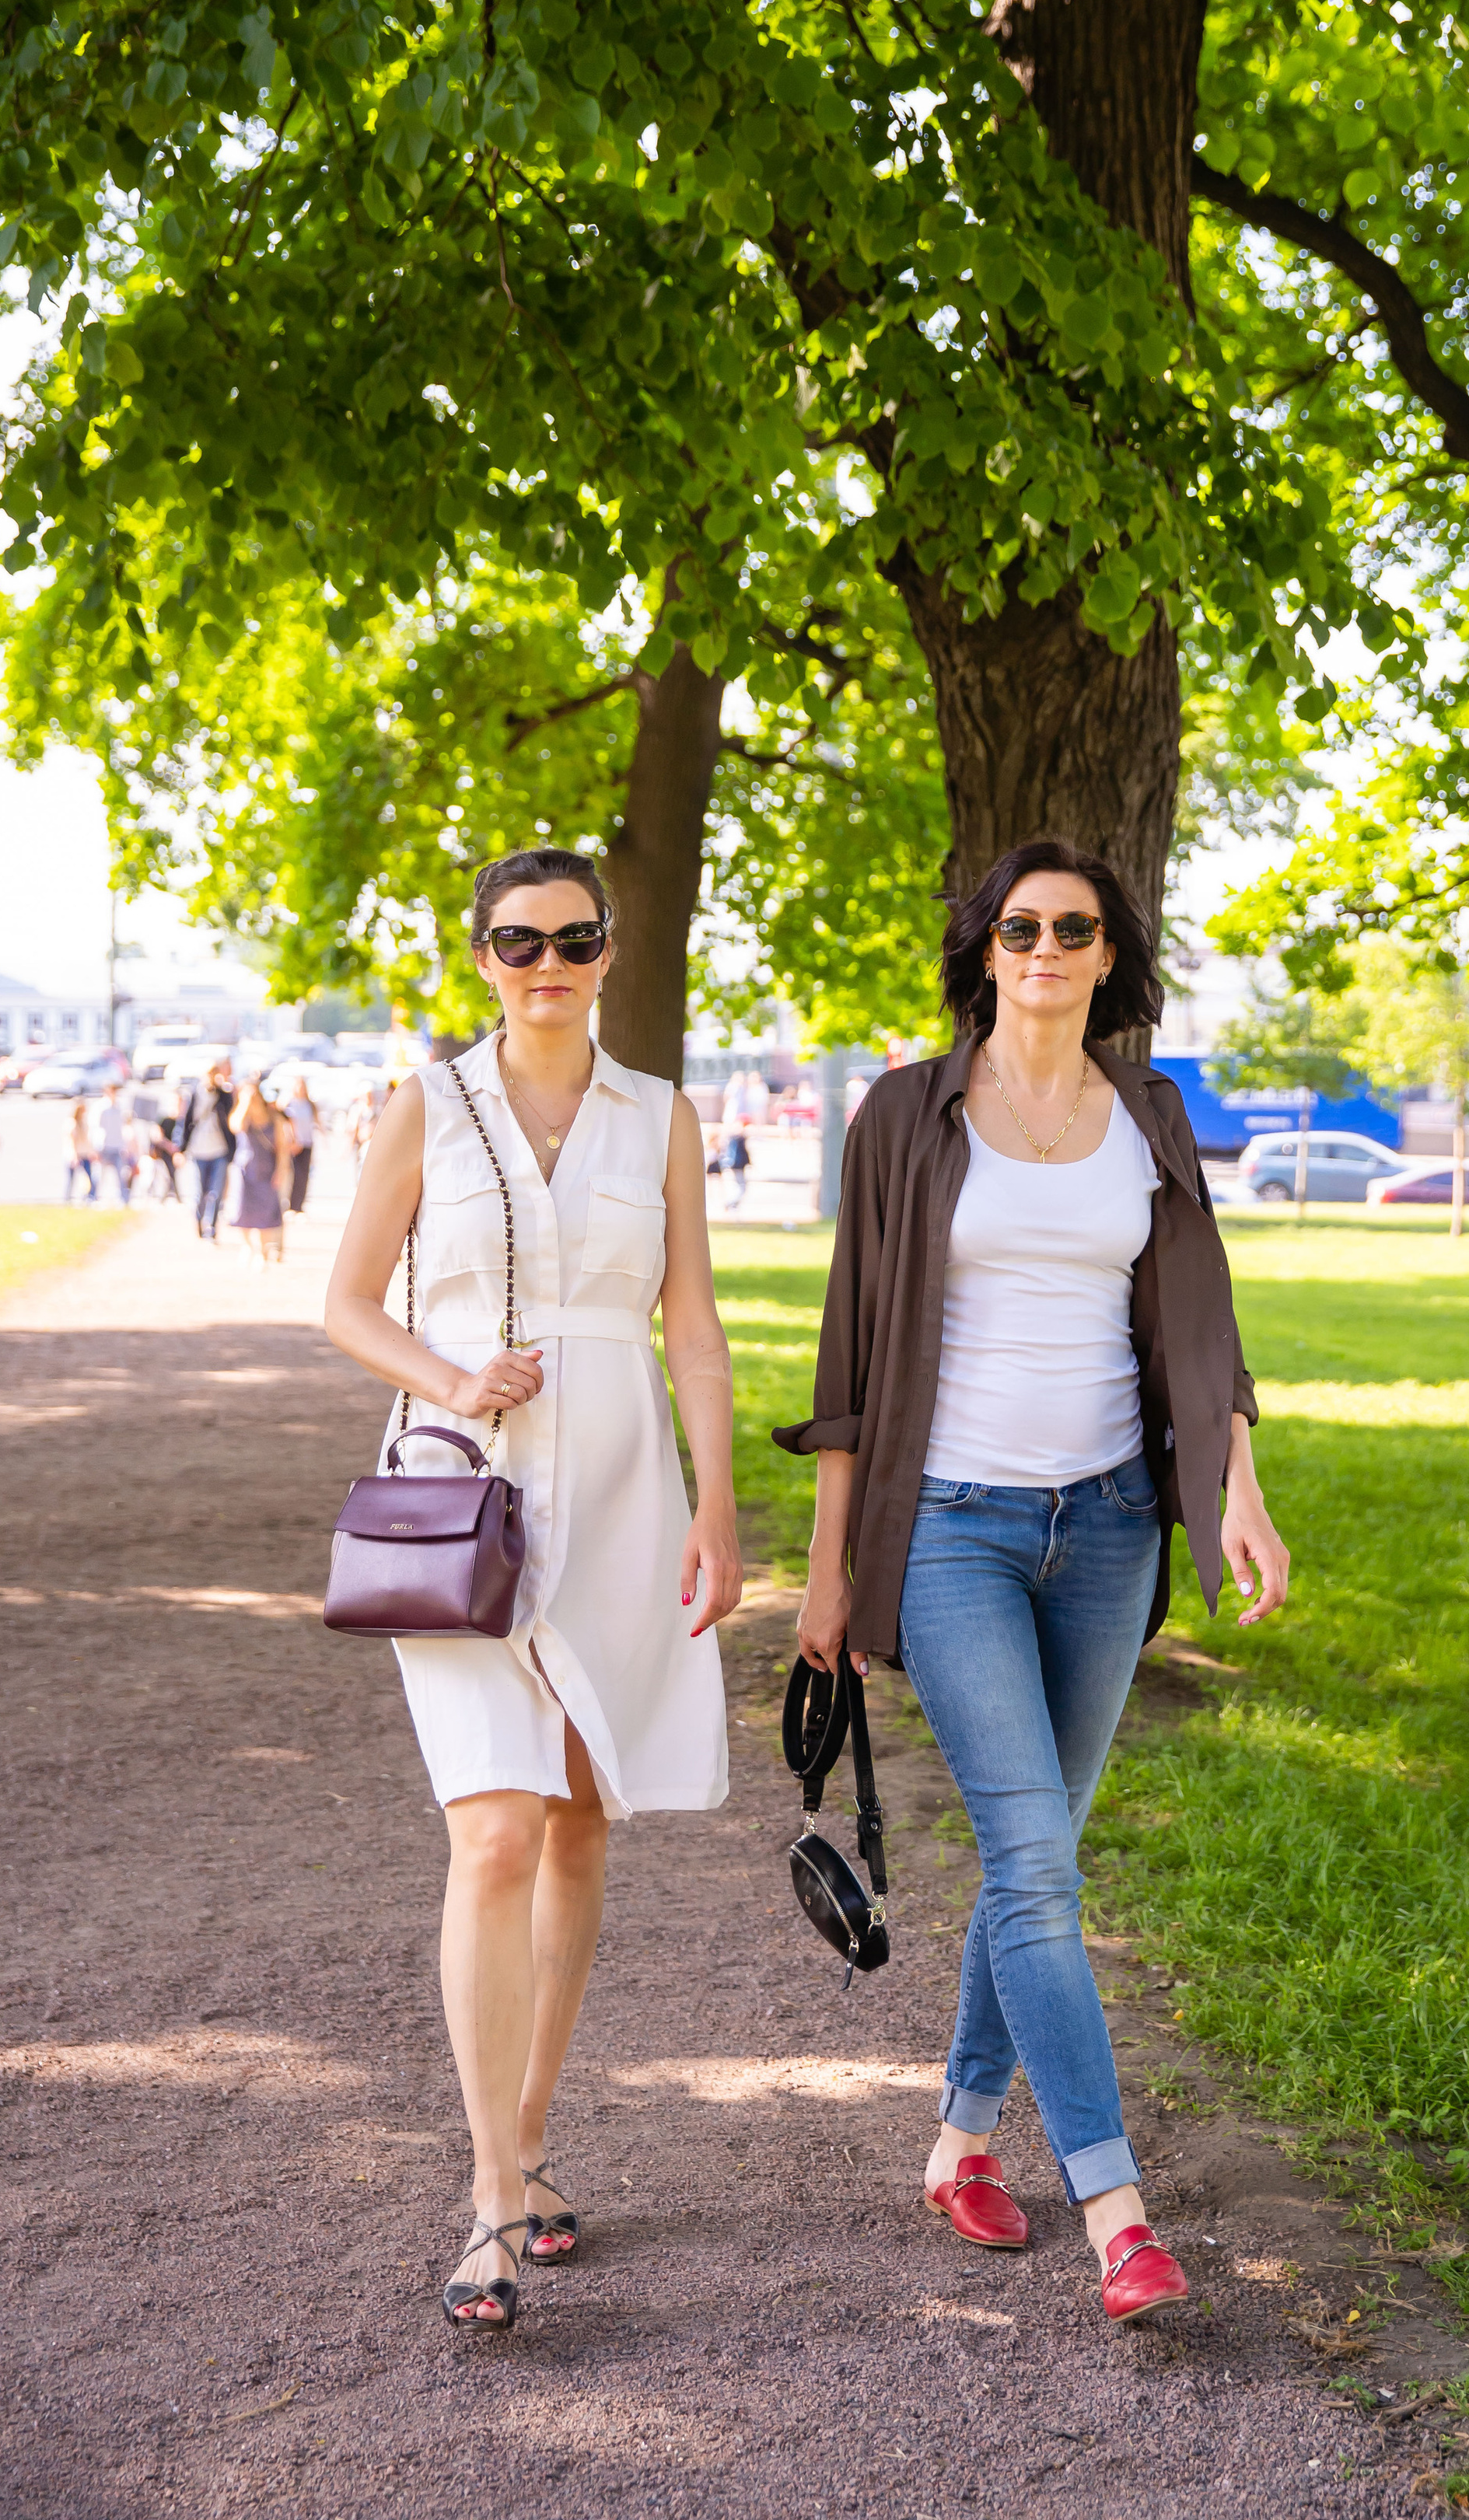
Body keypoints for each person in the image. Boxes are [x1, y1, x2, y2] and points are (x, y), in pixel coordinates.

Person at [782, 838, 1289, 2330]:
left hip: (1114, 1526)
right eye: (1021, 928)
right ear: (986, 950)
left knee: (1035, 1860)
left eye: (1075, 928)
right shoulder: (906, 1114)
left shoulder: (1152, 1114)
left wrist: (1240, 1490)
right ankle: (1119, 2215)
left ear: (1110, 953)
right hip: (951, 1528)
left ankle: (959, 2141)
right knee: (1038, 1862)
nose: (1047, 949)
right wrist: (828, 1575)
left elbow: (1202, 1319)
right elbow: (848, 1356)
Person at [325, 846, 741, 2337]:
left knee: (578, 1819)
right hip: (463, 1499)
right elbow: (345, 1303)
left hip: (625, 1492)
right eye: (519, 942)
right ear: (482, 956)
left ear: (610, 950)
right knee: (494, 1832)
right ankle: (492, 2196)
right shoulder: (426, 1106)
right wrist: (453, 1377)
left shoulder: (662, 1115)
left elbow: (693, 1326)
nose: (547, 963)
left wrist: (719, 1507)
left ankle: (535, 2130)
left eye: (573, 939)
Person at [229, 1078, 292, 1263]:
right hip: (245, 1170)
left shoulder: (274, 1118)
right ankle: (248, 1246)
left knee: (267, 1212)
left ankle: (263, 1251)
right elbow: (236, 1126)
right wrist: (244, 1103)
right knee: (242, 1211)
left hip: (266, 1171)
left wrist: (281, 1171)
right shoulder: (242, 1115)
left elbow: (282, 1148)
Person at [176, 1059, 236, 1240]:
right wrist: (181, 1149)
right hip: (199, 1150)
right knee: (200, 1192)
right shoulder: (196, 1095)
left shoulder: (224, 1095)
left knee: (216, 1191)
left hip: (220, 1149)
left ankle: (213, 1226)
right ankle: (199, 1221)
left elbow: (231, 1122)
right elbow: (186, 1122)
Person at [279, 1069, 320, 1215]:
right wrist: (292, 1140)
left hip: (307, 1142)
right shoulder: (290, 1103)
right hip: (294, 1144)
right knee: (293, 1175)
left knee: (304, 1175)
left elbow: (316, 1121)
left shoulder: (310, 1104)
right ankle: (289, 1204)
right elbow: (285, 1122)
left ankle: (298, 1205)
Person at [93, 1078, 136, 1206]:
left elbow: (124, 1127)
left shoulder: (120, 1107)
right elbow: (96, 1129)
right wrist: (96, 1147)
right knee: (100, 1175)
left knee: (121, 1175)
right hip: (104, 1146)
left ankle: (123, 1199)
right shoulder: (101, 1108)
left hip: (117, 1146)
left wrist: (125, 1145)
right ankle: (94, 1197)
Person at [62, 1098, 96, 1204]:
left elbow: (86, 1140)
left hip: (84, 1154)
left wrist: (91, 1152)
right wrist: (74, 1156)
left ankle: (89, 1197)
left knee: (89, 1178)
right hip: (74, 1156)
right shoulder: (72, 1123)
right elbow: (72, 1141)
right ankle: (67, 1199)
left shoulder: (83, 1122)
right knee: (71, 1179)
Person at [717, 1117, 751, 1212]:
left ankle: (732, 1203)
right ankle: (730, 1203)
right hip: (738, 1165)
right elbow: (742, 1154)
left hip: (736, 1165)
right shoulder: (738, 1139)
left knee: (740, 1186)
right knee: (741, 1187)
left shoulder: (733, 1139)